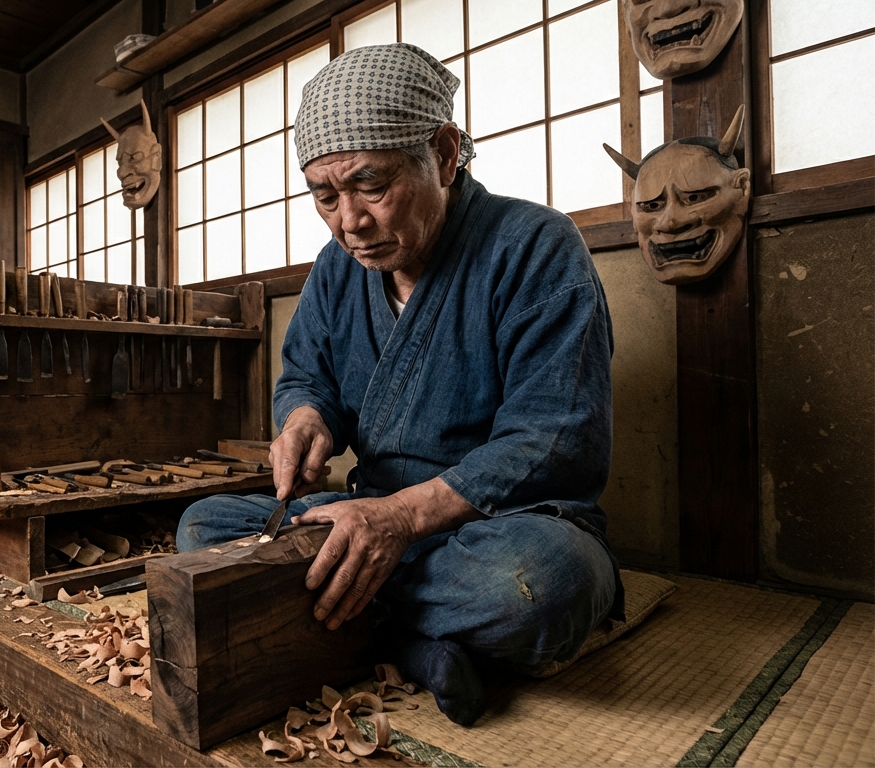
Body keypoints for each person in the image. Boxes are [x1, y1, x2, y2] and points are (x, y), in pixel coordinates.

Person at [175, 43, 623, 727]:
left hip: (498, 528)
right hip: (367, 519)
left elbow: (554, 436)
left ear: (444, 154)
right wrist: (305, 419)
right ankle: (418, 645)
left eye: (371, 186)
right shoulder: (336, 268)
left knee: (540, 589)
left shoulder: (536, 246)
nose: (349, 221)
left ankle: (363, 626)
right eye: (325, 196)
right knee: (202, 526)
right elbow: (307, 377)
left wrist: (404, 519)